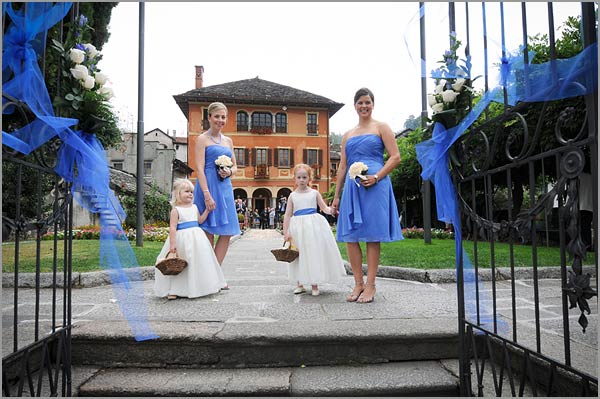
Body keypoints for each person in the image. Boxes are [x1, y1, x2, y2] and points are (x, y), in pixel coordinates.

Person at [331, 87, 403, 303]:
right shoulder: (347, 135)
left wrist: (377, 177)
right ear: (355, 106)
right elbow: (342, 167)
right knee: (351, 237)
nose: (364, 106)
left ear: (373, 104)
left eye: (367, 102)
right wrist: (336, 197)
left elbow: (395, 157)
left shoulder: (382, 127)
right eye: (360, 103)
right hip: (353, 188)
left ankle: (371, 285)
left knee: (372, 235)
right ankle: (358, 283)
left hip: (376, 185)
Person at [194, 102, 241, 289]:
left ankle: (215, 274)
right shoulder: (201, 139)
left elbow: (236, 166)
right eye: (217, 116)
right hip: (208, 187)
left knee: (227, 231)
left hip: (225, 188)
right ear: (209, 117)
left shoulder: (228, 141)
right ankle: (209, 277)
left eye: (223, 117)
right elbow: (198, 168)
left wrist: (229, 172)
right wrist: (206, 194)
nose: (220, 120)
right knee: (208, 231)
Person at [154, 179, 227, 299]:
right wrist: (173, 244)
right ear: (178, 194)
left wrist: (207, 211)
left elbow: (199, 221)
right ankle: (174, 289)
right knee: (180, 263)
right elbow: (172, 227)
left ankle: (199, 287)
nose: (190, 194)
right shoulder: (176, 210)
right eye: (186, 191)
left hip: (197, 239)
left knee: (197, 262)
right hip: (181, 238)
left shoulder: (194, 207)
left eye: (191, 192)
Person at [283, 164, 347, 296]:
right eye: (299, 177)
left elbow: (324, 208)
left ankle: (314, 284)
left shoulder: (314, 193)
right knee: (297, 254)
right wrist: (286, 232)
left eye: (304, 177)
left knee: (312, 253)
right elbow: (288, 214)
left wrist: (332, 210)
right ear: (294, 178)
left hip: (313, 227)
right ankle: (299, 283)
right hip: (297, 227)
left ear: (309, 178)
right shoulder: (292, 196)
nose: (301, 180)